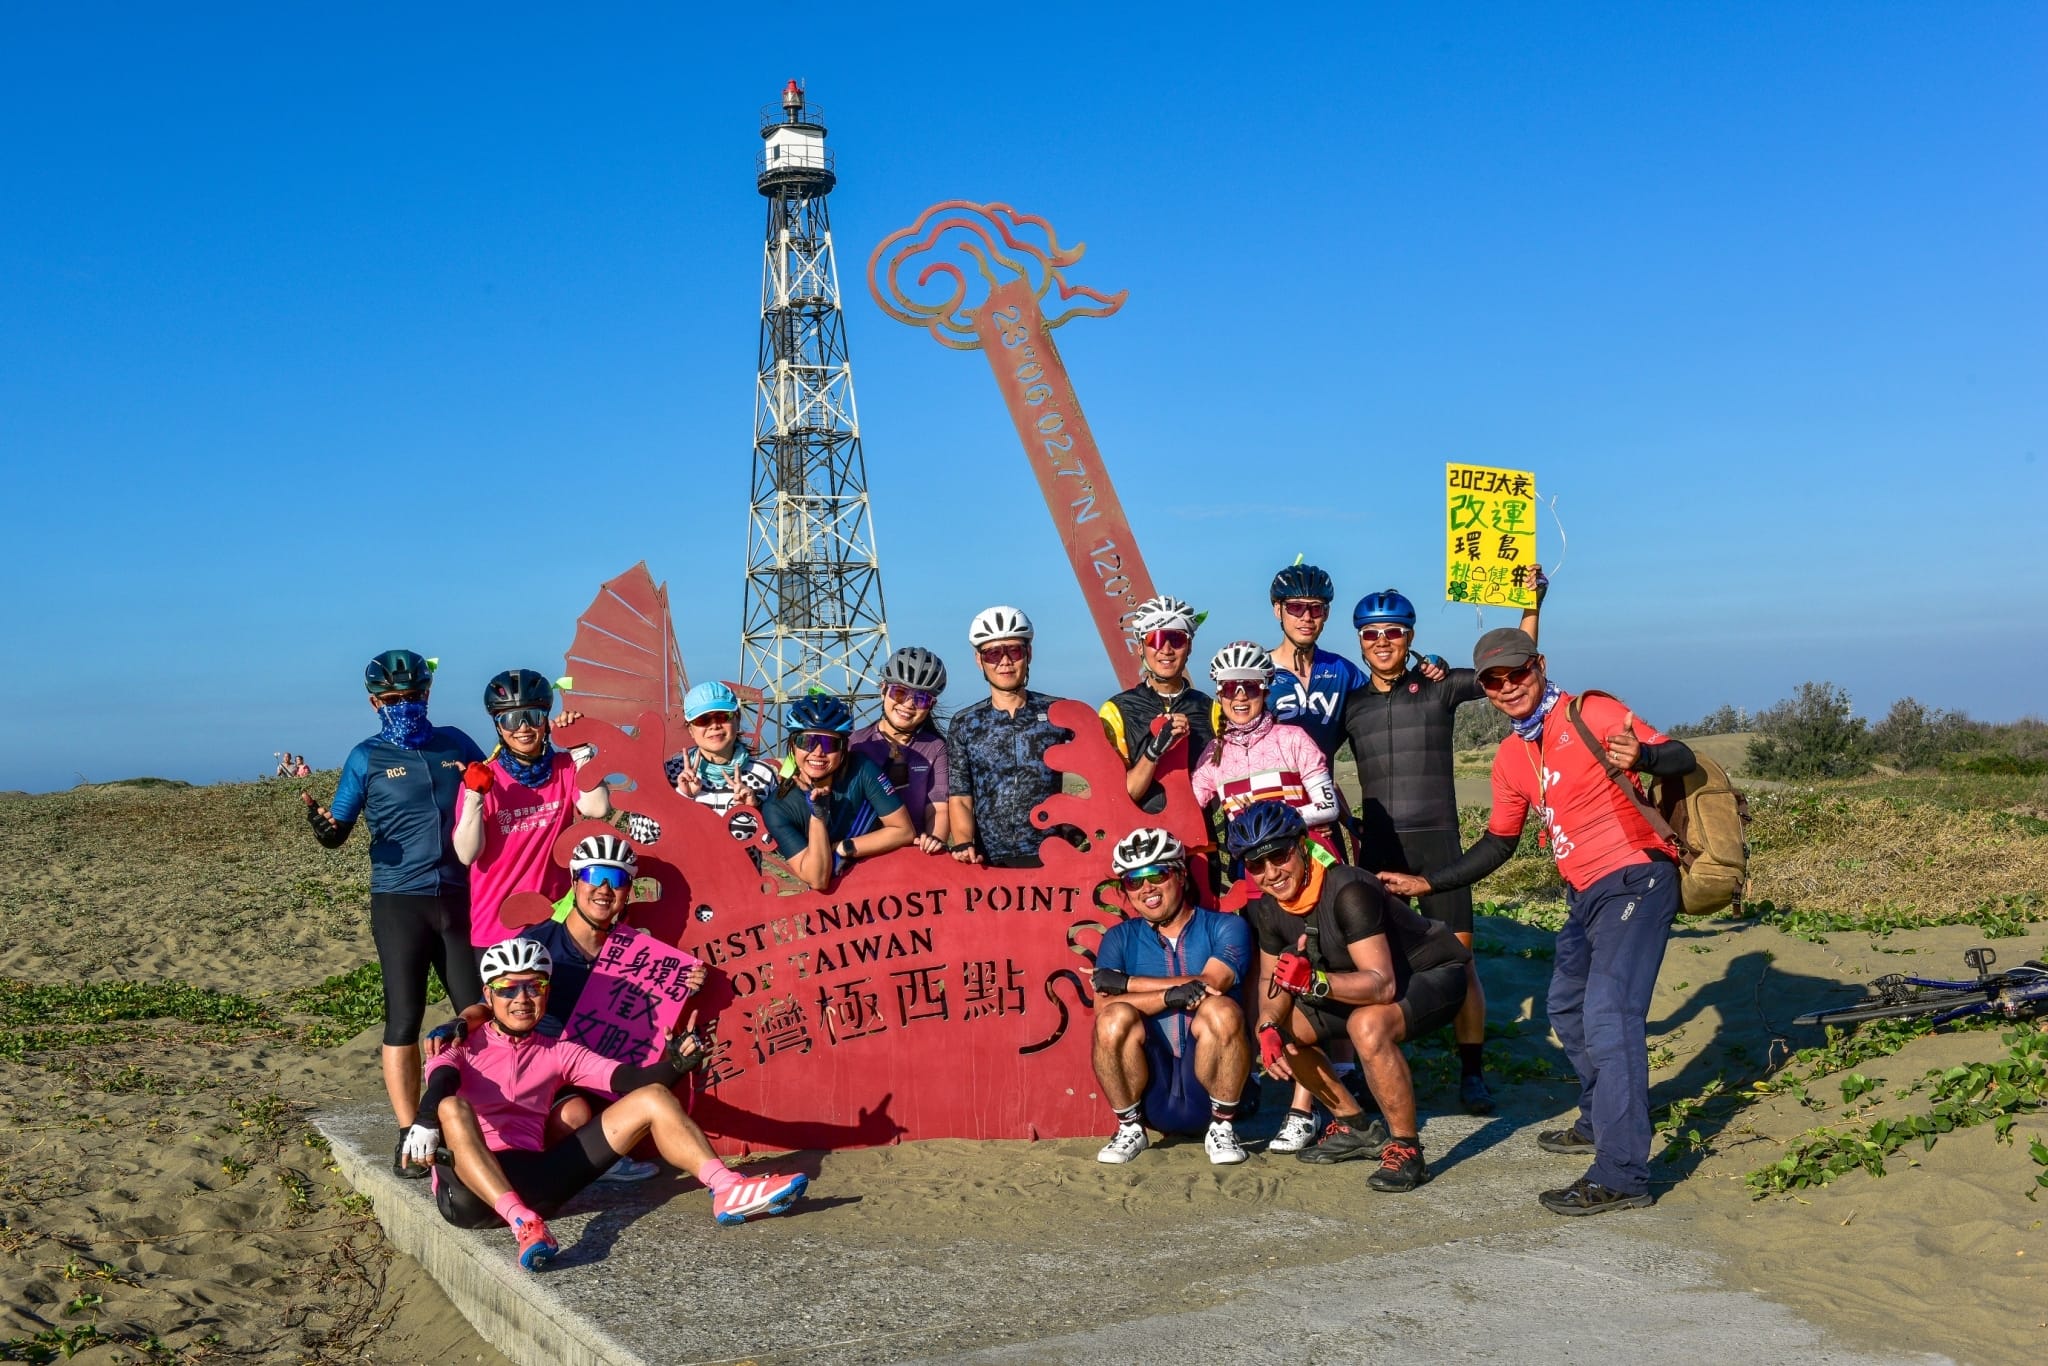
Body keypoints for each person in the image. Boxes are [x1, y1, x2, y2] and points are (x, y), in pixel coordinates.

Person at [1377, 628, 1695, 1216]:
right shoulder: (1510, 756)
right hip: (1585, 896)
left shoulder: (1591, 712)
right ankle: (1603, 1118)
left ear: (1539, 666)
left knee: (1609, 1016)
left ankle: (1623, 1173)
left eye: (1516, 673)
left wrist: (1645, 756)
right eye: (1492, 680)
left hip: (1637, 877)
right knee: (1567, 1009)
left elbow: (1682, 756)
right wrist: (1428, 883)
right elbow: (1499, 843)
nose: (1506, 687)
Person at [406, 939, 808, 1270]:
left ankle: (728, 1189)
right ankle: (522, 1222)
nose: (523, 998)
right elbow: (441, 1082)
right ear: (489, 994)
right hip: (469, 1197)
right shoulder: (456, 1043)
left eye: (535, 987)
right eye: (509, 988)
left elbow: (631, 1081)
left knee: (652, 1098)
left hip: (536, 1182)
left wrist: (676, 1062)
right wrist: (423, 1120)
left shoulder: (558, 1051)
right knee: (451, 1109)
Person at [1340, 577, 1543, 1115]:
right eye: (1371, 633)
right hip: (1379, 850)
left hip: (1440, 846)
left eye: (1394, 632)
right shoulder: (1350, 705)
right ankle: (1378, 1062)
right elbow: (1307, 758)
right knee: (1374, 967)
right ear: (1360, 639)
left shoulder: (1439, 686)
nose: (1383, 641)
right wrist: (1342, 818)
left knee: (1461, 962)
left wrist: (1531, 604)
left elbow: (1511, 668)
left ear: (1410, 636)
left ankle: (1472, 1073)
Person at [427, 834, 707, 1185]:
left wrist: (686, 982)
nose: (604, 889)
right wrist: (460, 1021)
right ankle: (583, 1160)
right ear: (575, 882)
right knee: (574, 1115)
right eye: (593, 877)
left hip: (599, 1063)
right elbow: (491, 1004)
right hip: (543, 1067)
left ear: (628, 890)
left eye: (617, 879)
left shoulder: (633, 949)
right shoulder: (538, 944)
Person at [302, 649, 486, 1177]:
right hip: (399, 901)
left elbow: (499, 786)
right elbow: (338, 828)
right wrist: (325, 831)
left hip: (459, 895)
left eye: (413, 696)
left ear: (428, 694)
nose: (404, 705)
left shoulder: (455, 744)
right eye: (392, 699)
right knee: (403, 1016)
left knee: (476, 1011)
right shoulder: (366, 756)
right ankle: (409, 1132)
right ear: (373, 702)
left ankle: (477, 1113)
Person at [1229, 801, 1470, 1191]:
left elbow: (1382, 985)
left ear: (1303, 846)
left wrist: (1313, 982)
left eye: (1278, 856)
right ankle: (1357, 1127)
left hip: (1431, 976)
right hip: (1360, 984)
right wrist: (1268, 1024)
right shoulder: (1270, 910)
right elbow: (1270, 982)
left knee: (1367, 1024)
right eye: (1256, 865)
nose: (1271, 873)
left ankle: (1407, 1149)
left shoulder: (1348, 889)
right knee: (1282, 1026)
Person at [1089, 828, 1255, 1166]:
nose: (1146, 887)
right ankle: (1129, 1127)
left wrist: (1128, 982)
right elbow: (1103, 1006)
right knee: (1113, 1018)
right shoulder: (1119, 937)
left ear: (1180, 875)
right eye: (1133, 881)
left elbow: (1211, 982)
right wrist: (1172, 996)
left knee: (1221, 1009)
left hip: (1211, 1091)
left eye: (1157, 874)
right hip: (1153, 1089)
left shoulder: (1226, 926)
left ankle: (1223, 1128)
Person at [453, 670, 611, 951]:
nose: (523, 727)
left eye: (534, 717)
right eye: (512, 719)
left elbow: (597, 807)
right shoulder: (485, 778)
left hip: (557, 922)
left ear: (546, 722)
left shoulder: (565, 767)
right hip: (496, 927)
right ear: (498, 726)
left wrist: (580, 748)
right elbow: (467, 853)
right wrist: (474, 796)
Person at [946, 606, 1075, 869]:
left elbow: (1097, 775)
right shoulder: (964, 723)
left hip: (1054, 858)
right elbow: (960, 796)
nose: (1004, 661)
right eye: (993, 653)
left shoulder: (1059, 713)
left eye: (1013, 650)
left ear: (1028, 654)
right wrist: (963, 844)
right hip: (989, 862)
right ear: (979, 660)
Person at [1191, 642, 1343, 862]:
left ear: (1265, 693)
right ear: (1220, 695)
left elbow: (1328, 807)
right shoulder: (1212, 754)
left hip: (1305, 859)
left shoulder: (1293, 738)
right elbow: (1189, 810)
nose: (1240, 697)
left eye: (1250, 687)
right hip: (1252, 866)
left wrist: (1269, 815)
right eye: (1230, 688)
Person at [763, 694, 915, 891]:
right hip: (825, 907)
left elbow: (904, 831)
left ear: (843, 749)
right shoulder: (778, 807)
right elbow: (818, 879)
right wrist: (817, 817)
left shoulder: (862, 770)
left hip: (875, 885)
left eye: (829, 744)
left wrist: (844, 847)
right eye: (806, 741)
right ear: (792, 745)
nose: (818, 752)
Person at [1098, 594, 1216, 813]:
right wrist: (1153, 751)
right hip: (1142, 840)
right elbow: (1119, 795)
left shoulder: (1211, 710)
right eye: (1156, 639)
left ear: (1189, 647)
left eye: (1177, 639)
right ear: (1140, 647)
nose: (1167, 649)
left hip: (1203, 841)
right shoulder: (1115, 711)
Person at [1264, 563, 1370, 763]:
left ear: (1326, 614)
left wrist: (1428, 673)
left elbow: (1388, 700)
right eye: (1295, 607)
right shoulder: (1257, 670)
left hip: (1322, 791)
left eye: (1316, 609)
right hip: (1269, 792)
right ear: (1278, 610)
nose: (1306, 617)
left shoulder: (1343, 671)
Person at [850, 647, 952, 853]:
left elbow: (938, 809)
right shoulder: (854, 743)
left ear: (931, 705)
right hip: (861, 855)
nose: (908, 704)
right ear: (883, 689)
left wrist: (934, 840)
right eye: (899, 692)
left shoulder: (935, 748)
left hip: (913, 858)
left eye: (921, 699)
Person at [665, 681, 777, 815]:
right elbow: (643, 833)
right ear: (690, 729)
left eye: (722, 716)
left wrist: (755, 809)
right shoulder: (670, 773)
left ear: (737, 719)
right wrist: (682, 796)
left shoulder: (764, 774)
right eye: (703, 720)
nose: (714, 726)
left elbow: (781, 831)